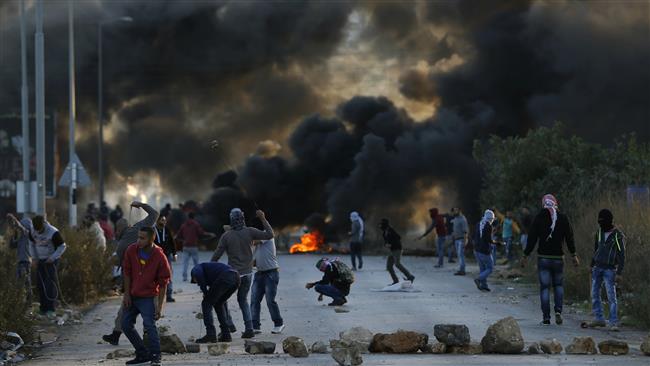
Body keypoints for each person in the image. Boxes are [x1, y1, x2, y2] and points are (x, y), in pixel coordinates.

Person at [211, 209, 274, 339]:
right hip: (248, 274)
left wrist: (211, 268)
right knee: (243, 300)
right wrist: (262, 218)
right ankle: (249, 329)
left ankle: (228, 324)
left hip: (232, 275)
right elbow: (270, 234)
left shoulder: (226, 236)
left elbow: (216, 255)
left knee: (222, 300)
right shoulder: (250, 231)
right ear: (243, 218)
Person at [103, 201, 159, 346]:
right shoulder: (123, 239)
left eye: (117, 229)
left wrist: (141, 205)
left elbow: (155, 214)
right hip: (135, 280)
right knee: (129, 308)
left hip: (143, 279)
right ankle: (117, 334)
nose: (116, 232)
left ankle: (147, 338)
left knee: (143, 309)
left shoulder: (135, 230)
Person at [522, 194, 579, 326]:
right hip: (559, 258)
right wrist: (573, 255)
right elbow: (570, 238)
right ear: (555, 203)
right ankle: (558, 311)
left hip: (543, 259)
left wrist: (525, 255)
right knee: (558, 286)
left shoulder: (539, 218)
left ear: (543, 204)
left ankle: (546, 317)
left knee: (544, 288)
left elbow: (532, 239)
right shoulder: (563, 218)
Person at [121, 227, 171, 366]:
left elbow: (164, 283)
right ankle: (142, 353)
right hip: (132, 295)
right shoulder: (132, 250)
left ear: (152, 238)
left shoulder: (160, 256)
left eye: (142, 238)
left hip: (148, 297)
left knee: (149, 325)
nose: (139, 241)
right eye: (138, 237)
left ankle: (156, 355)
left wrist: (159, 307)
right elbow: (127, 272)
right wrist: (126, 295)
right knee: (125, 324)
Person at [588, 209, 625, 331]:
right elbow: (596, 250)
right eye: (599, 221)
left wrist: (619, 272)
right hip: (597, 267)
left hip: (610, 269)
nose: (600, 224)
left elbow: (621, 255)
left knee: (611, 296)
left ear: (609, 221)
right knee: (594, 293)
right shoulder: (599, 232)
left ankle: (613, 322)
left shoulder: (617, 235)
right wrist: (591, 265)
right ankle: (599, 318)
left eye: (602, 221)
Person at [191, 262, 240, 343]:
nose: (197, 283)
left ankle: (210, 334)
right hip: (236, 278)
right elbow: (215, 287)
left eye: (196, 281)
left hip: (226, 276)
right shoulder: (210, 271)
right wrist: (207, 293)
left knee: (206, 304)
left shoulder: (196, 269)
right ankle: (226, 334)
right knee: (219, 303)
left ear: (192, 276)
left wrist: (205, 291)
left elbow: (198, 274)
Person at [28, 215, 66, 318]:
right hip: (39, 260)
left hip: (51, 261)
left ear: (43, 225)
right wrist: (34, 258)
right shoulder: (32, 231)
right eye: (37, 231)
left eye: (40, 230)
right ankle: (43, 308)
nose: (38, 233)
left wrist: (52, 258)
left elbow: (62, 246)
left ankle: (51, 309)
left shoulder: (53, 232)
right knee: (40, 285)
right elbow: (31, 244)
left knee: (49, 285)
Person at [250, 238, 285, 334]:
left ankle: (278, 324)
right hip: (259, 273)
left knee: (270, 300)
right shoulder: (257, 246)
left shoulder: (267, 235)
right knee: (254, 300)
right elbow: (255, 262)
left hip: (271, 273)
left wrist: (238, 235)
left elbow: (252, 241)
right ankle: (255, 326)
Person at [7, 213, 33, 303]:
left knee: (26, 283)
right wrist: (14, 233)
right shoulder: (21, 237)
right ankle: (22, 302)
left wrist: (14, 220)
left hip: (25, 262)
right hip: (20, 262)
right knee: (20, 283)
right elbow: (12, 246)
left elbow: (21, 227)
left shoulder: (28, 234)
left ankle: (28, 303)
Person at [380, 219, 414, 285]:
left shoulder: (390, 230)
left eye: (381, 224)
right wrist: (386, 244)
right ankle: (395, 281)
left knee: (397, 264)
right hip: (392, 250)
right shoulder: (384, 232)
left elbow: (398, 237)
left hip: (397, 249)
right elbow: (386, 242)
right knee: (389, 266)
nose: (380, 226)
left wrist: (391, 244)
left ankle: (410, 276)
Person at [176, 212, 208, 282]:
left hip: (185, 246)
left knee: (185, 263)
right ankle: (197, 277)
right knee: (196, 263)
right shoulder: (196, 224)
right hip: (194, 246)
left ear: (188, 217)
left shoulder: (183, 225)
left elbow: (178, 236)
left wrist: (183, 240)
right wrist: (209, 234)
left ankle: (184, 277)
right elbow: (201, 233)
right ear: (194, 217)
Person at [154, 215, 177, 303]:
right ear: (157, 221)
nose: (164, 222)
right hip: (155, 257)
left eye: (165, 220)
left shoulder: (167, 230)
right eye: (162, 220)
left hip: (167, 256)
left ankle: (169, 295)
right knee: (155, 275)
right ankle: (156, 294)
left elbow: (172, 242)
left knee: (168, 275)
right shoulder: (153, 230)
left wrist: (175, 253)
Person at [474, 210, 496, 292]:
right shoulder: (488, 226)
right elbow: (489, 240)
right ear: (491, 219)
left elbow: (479, 236)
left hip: (476, 250)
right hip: (484, 250)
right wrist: (497, 243)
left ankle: (484, 285)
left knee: (482, 268)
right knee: (490, 268)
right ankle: (478, 279)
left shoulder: (478, 224)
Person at [451, 208, 469, 276]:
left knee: (461, 255)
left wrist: (465, 240)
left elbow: (465, 231)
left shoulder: (463, 219)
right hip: (456, 239)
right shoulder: (456, 218)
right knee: (459, 255)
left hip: (461, 240)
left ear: (459, 211)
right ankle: (461, 269)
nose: (454, 212)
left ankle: (462, 270)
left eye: (455, 211)